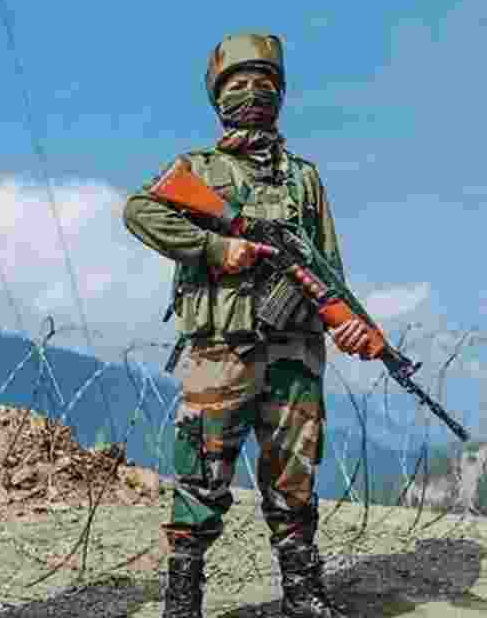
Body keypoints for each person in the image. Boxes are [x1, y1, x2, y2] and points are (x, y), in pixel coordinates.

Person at [123, 33, 376, 618]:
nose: (252, 92)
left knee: (294, 476)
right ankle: (182, 599)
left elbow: (327, 267)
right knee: (202, 474)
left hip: (295, 351)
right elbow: (139, 211)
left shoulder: (303, 178)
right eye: (237, 83)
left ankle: (303, 592)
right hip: (222, 350)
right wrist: (218, 249)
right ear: (217, 96)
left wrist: (349, 323)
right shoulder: (198, 170)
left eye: (264, 81)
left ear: (281, 94)